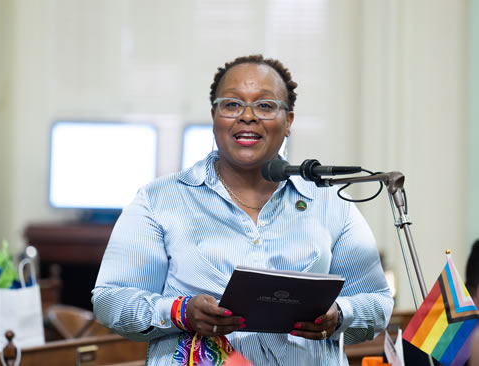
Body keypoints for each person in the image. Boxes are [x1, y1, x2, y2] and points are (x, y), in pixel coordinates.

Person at [92, 55, 394, 365]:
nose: (247, 116)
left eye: (264, 106)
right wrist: (181, 311)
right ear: (214, 116)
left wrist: (339, 315)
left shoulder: (330, 204)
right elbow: (110, 300)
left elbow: (378, 302)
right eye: (232, 105)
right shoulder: (158, 201)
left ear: (288, 122)